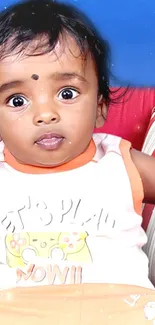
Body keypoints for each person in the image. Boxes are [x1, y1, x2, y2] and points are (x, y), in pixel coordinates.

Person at [0, 0, 154, 290]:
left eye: (67, 93)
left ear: (100, 108)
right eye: (17, 100)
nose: (45, 114)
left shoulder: (120, 163)